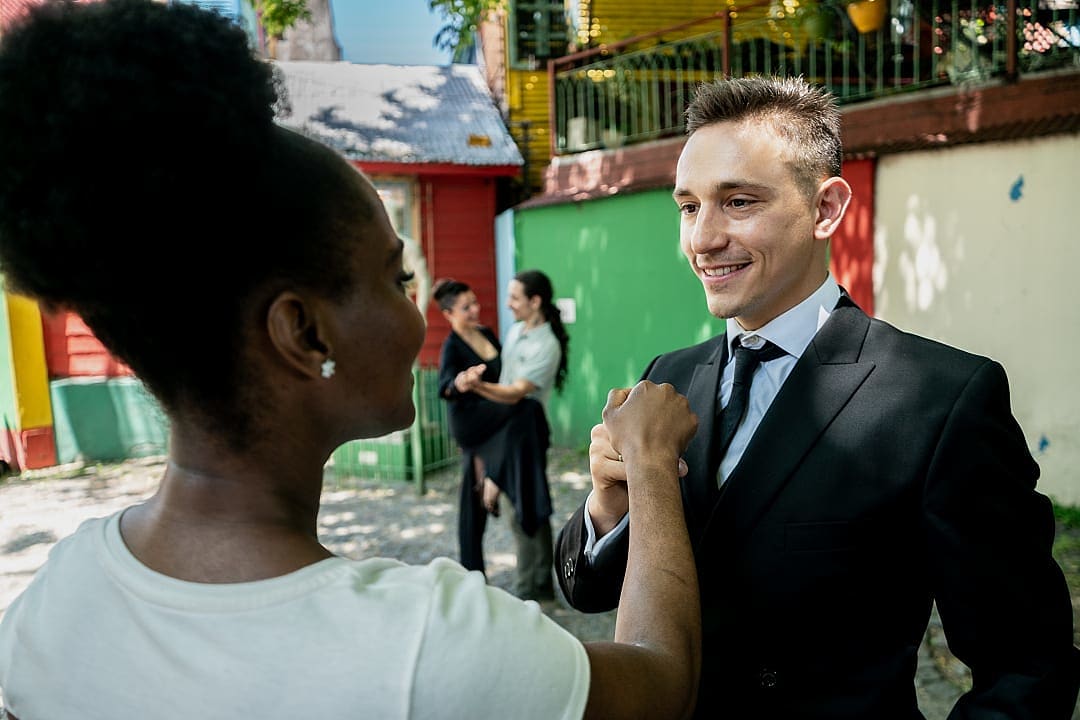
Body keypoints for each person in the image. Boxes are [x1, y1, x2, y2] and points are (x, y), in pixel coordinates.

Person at [0, 2, 704, 718]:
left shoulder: (54, 599)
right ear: (303, 333)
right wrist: (649, 468)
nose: (414, 311)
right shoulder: (428, 647)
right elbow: (661, 680)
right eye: (398, 279)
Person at [554, 75, 1080, 718]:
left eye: (739, 202)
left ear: (826, 209)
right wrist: (608, 505)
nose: (702, 239)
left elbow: (1028, 667)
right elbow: (588, 592)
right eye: (689, 207)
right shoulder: (670, 375)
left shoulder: (940, 399)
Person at [457, 269, 569, 602]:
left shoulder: (547, 345)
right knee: (519, 503)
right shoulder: (518, 331)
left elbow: (515, 393)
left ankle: (530, 589)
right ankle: (537, 583)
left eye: (515, 298)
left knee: (526, 504)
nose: (508, 304)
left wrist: (477, 386)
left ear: (535, 302)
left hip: (527, 429)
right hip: (507, 428)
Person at [434, 278, 520, 574]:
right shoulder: (452, 346)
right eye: (465, 307)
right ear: (449, 314)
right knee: (524, 406)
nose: (474, 310)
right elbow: (445, 386)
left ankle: (472, 571)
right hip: (471, 419)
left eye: (474, 303)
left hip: (495, 413)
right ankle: (493, 478)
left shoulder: (485, 332)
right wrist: (463, 381)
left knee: (471, 494)